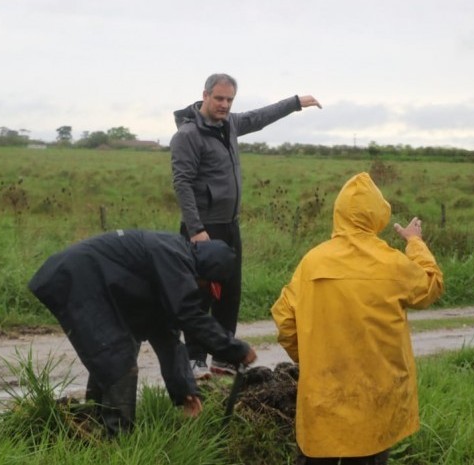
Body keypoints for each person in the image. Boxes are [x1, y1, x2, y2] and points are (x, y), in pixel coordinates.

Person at [271, 172, 444, 465]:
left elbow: (285, 318)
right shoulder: (391, 263)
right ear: (377, 214)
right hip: (375, 402)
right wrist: (415, 243)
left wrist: (309, 358)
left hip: (323, 397)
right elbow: (431, 284)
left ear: (338, 213)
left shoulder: (312, 261)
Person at [27, 229, 258, 436]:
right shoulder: (174, 257)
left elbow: (167, 334)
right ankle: (118, 444)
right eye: (208, 286)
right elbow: (188, 315)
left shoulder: (173, 264)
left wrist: (185, 390)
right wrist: (235, 349)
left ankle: (93, 422)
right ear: (206, 272)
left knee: (115, 353)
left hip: (90, 282)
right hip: (77, 278)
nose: (204, 291)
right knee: (117, 358)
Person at [170, 73, 321, 379]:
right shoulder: (188, 135)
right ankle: (194, 359)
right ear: (205, 96)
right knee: (200, 295)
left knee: (230, 294)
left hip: (229, 225)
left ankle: (224, 357)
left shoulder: (231, 125)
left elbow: (260, 117)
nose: (224, 105)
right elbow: (182, 183)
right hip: (202, 229)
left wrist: (295, 103)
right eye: (219, 99)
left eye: (229, 100)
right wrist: (196, 229)